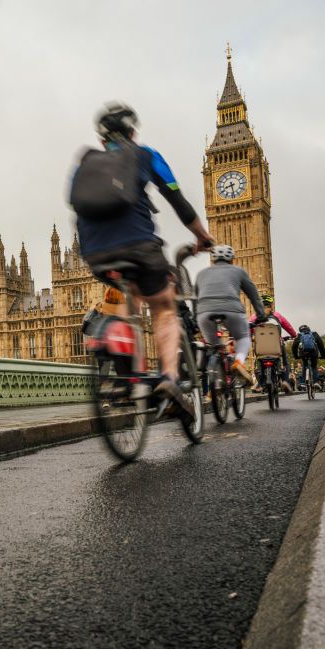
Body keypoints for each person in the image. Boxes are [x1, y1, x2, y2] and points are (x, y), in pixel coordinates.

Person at [69, 102, 214, 415]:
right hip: (138, 243)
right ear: (132, 132)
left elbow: (73, 203)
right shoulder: (146, 154)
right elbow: (178, 199)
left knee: (127, 294)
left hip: (94, 252)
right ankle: (170, 378)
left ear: (101, 137)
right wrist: (202, 236)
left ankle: (116, 346)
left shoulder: (84, 162)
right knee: (163, 306)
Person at [194, 245, 266, 384]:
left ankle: (216, 384)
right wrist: (261, 315)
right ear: (232, 259)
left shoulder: (201, 273)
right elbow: (254, 295)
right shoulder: (238, 271)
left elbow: (195, 299)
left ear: (213, 258)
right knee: (243, 337)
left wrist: (194, 320)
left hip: (204, 312)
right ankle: (239, 362)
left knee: (213, 346)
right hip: (232, 309)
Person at [248, 293, 297, 392]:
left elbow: (247, 329)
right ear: (271, 305)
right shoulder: (277, 315)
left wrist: (251, 337)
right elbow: (289, 328)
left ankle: (260, 384)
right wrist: (294, 335)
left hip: (260, 348)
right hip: (276, 346)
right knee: (284, 360)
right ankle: (285, 381)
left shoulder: (254, 317)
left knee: (258, 360)